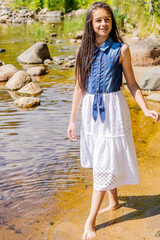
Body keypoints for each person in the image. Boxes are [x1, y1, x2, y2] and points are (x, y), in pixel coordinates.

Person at [67, 2, 160, 239]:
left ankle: (90, 221)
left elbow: (132, 83)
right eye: (98, 20)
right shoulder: (82, 52)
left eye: (107, 19)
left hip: (113, 109)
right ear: (90, 23)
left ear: (112, 22)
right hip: (91, 112)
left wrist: (146, 108)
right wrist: (72, 121)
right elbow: (79, 87)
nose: (103, 24)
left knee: (105, 161)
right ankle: (114, 202)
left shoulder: (121, 50)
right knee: (101, 159)